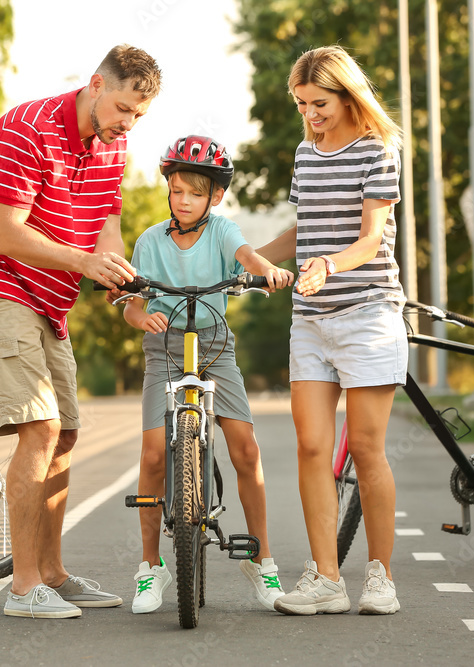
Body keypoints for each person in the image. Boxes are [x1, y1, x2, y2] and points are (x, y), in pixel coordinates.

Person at [0, 45, 162, 619]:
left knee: (65, 434)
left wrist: (114, 271)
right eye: (122, 108)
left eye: (139, 116)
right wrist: (82, 262)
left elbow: (109, 225)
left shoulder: (114, 144)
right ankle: (22, 590)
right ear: (95, 84)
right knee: (40, 430)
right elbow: (8, 238)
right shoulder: (29, 129)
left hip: (50, 299)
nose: (127, 123)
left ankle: (52, 573)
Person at [254, 46, 406, 615]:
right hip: (311, 322)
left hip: (367, 314)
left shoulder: (377, 151)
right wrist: (243, 258)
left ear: (347, 95)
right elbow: (304, 227)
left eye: (319, 103)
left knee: (366, 450)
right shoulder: (305, 151)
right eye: (301, 104)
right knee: (312, 446)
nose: (310, 114)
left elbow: (371, 238)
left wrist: (328, 265)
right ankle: (326, 578)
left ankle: (381, 577)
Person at [121, 135, 294, 614]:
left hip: (215, 344)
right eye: (177, 191)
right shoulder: (150, 241)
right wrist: (142, 318)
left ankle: (263, 560)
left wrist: (268, 271)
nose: (184, 200)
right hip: (165, 348)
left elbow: (248, 257)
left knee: (246, 449)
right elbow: (132, 307)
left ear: (215, 196)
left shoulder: (222, 231)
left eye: (195, 193)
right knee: (154, 454)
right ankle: (149, 567)